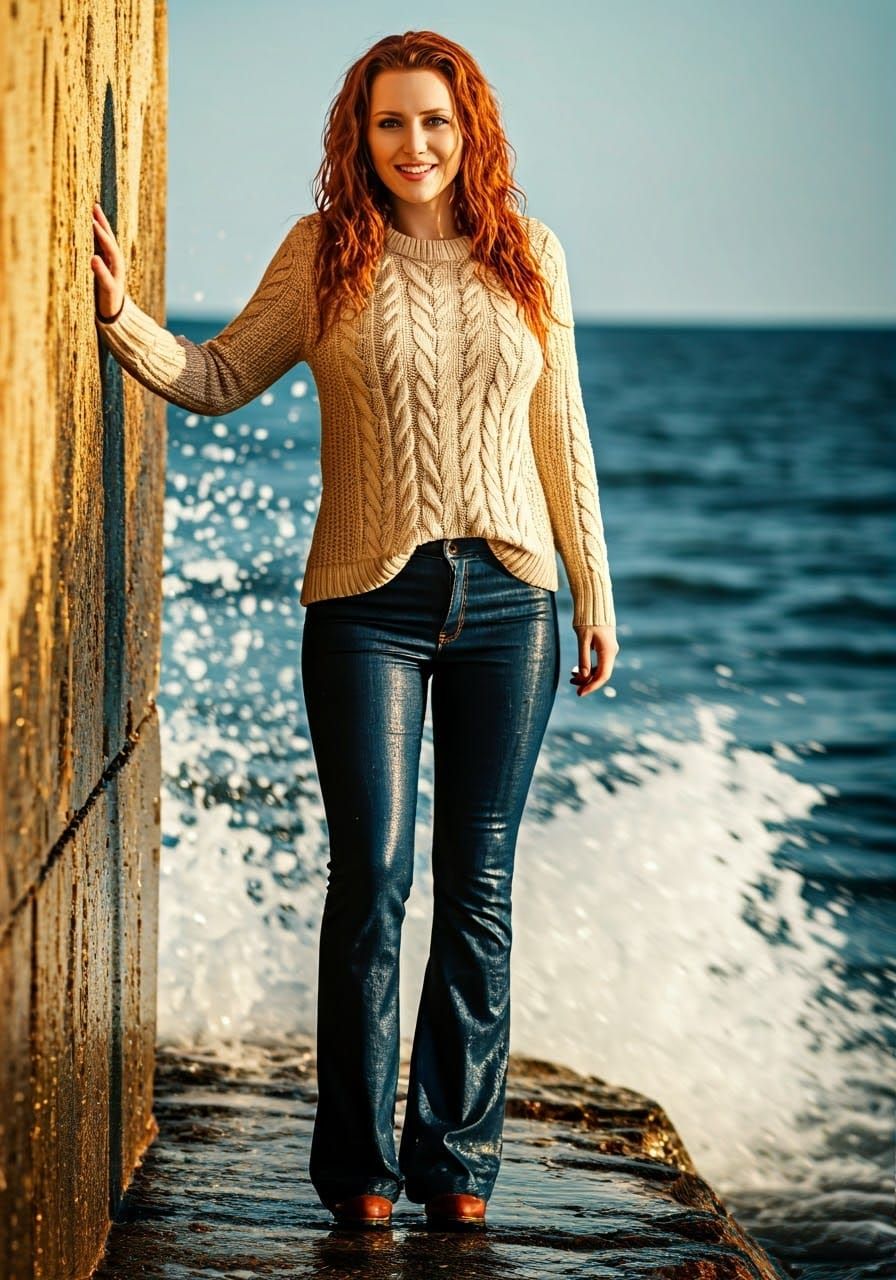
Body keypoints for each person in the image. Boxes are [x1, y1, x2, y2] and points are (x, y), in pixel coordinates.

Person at [91, 28, 619, 1233]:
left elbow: (563, 436)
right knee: (371, 879)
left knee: (477, 885)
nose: (414, 143)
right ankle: (360, 1171)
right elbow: (219, 375)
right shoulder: (324, 254)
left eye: (434, 120)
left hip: (509, 601)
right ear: (358, 134)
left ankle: (458, 1159)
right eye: (389, 121)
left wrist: (592, 588)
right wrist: (123, 317)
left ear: (468, 127)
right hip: (362, 606)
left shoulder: (528, 256)